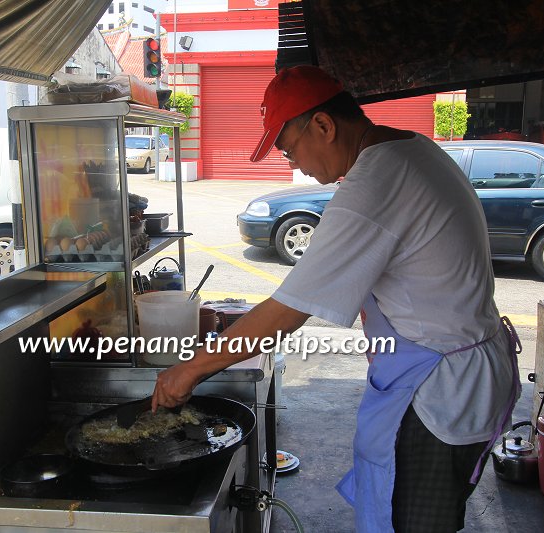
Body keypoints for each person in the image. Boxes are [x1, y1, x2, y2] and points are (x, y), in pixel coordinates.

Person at [151, 65, 520, 533]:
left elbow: (289, 309)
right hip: (451, 371)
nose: (295, 166)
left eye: (290, 150)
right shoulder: (410, 150)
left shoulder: (375, 183)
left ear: (323, 125)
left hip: (440, 393)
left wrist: (189, 370)